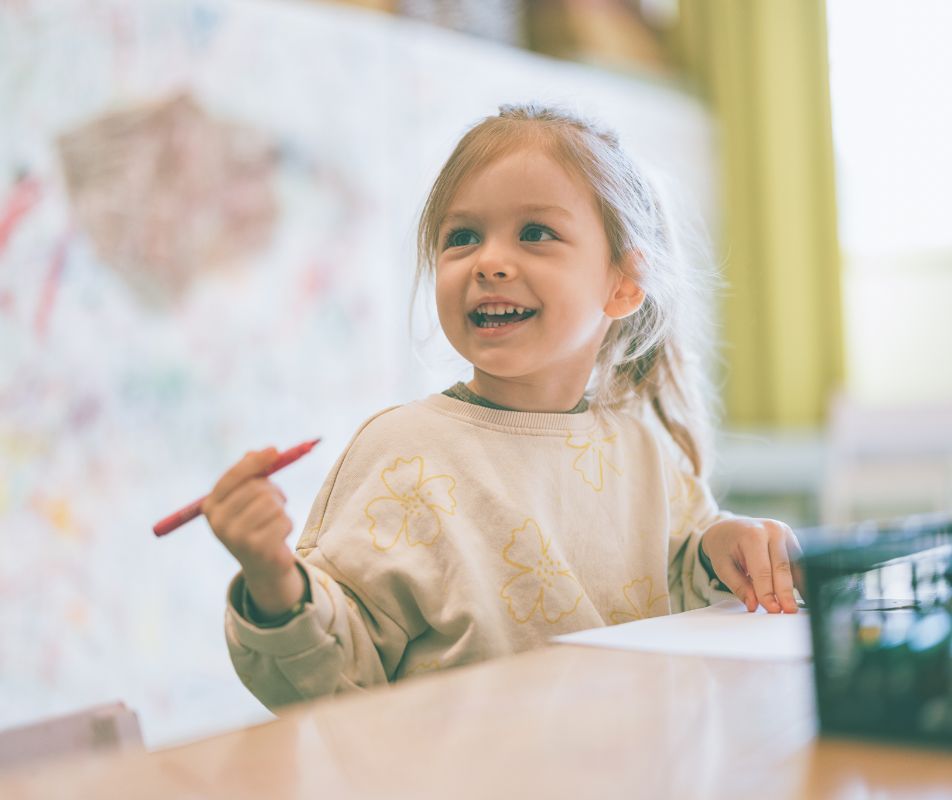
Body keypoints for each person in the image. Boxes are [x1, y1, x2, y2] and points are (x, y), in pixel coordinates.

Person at [204, 104, 803, 710]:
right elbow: (331, 675)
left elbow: (687, 576)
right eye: (461, 237)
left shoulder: (643, 450)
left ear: (623, 284)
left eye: (535, 233)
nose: (489, 261)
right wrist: (275, 581)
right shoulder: (403, 454)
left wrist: (725, 545)